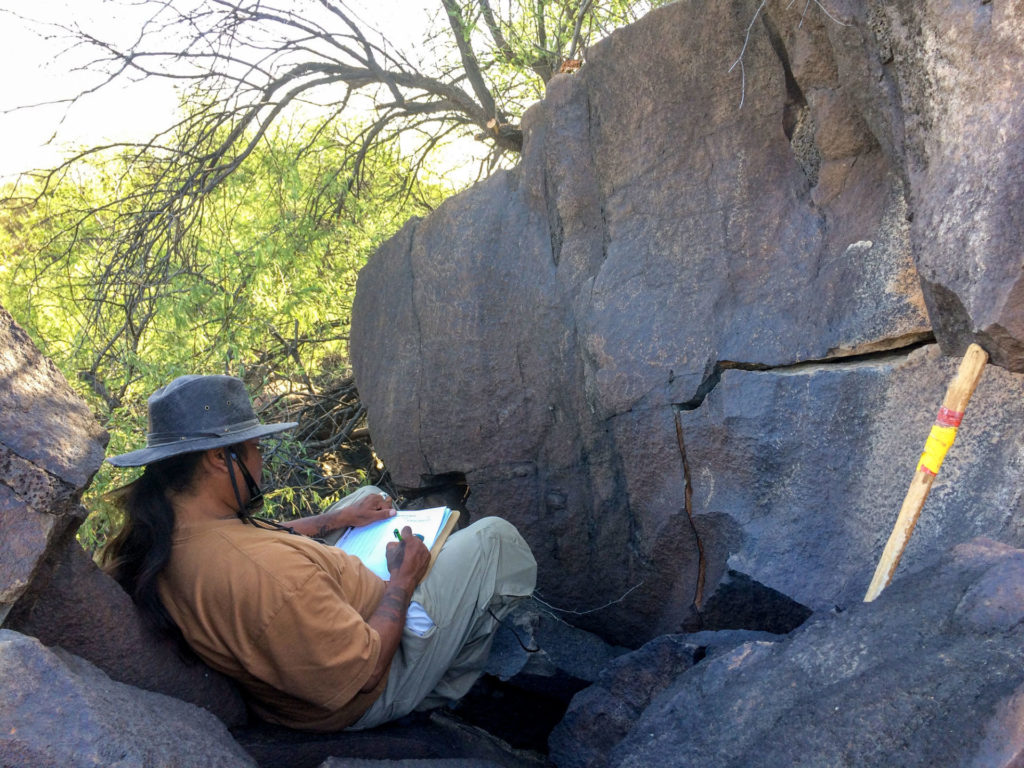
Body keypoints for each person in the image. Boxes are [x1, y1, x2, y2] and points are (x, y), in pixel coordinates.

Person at [101, 374, 536, 731]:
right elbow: (364, 675)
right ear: (220, 458)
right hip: (365, 683)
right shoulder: (267, 575)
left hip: (314, 632)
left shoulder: (169, 532)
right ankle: (437, 689)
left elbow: (246, 541)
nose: (260, 460)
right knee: (494, 540)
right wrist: (402, 582)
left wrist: (334, 521)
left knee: (366, 497)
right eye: (254, 448)